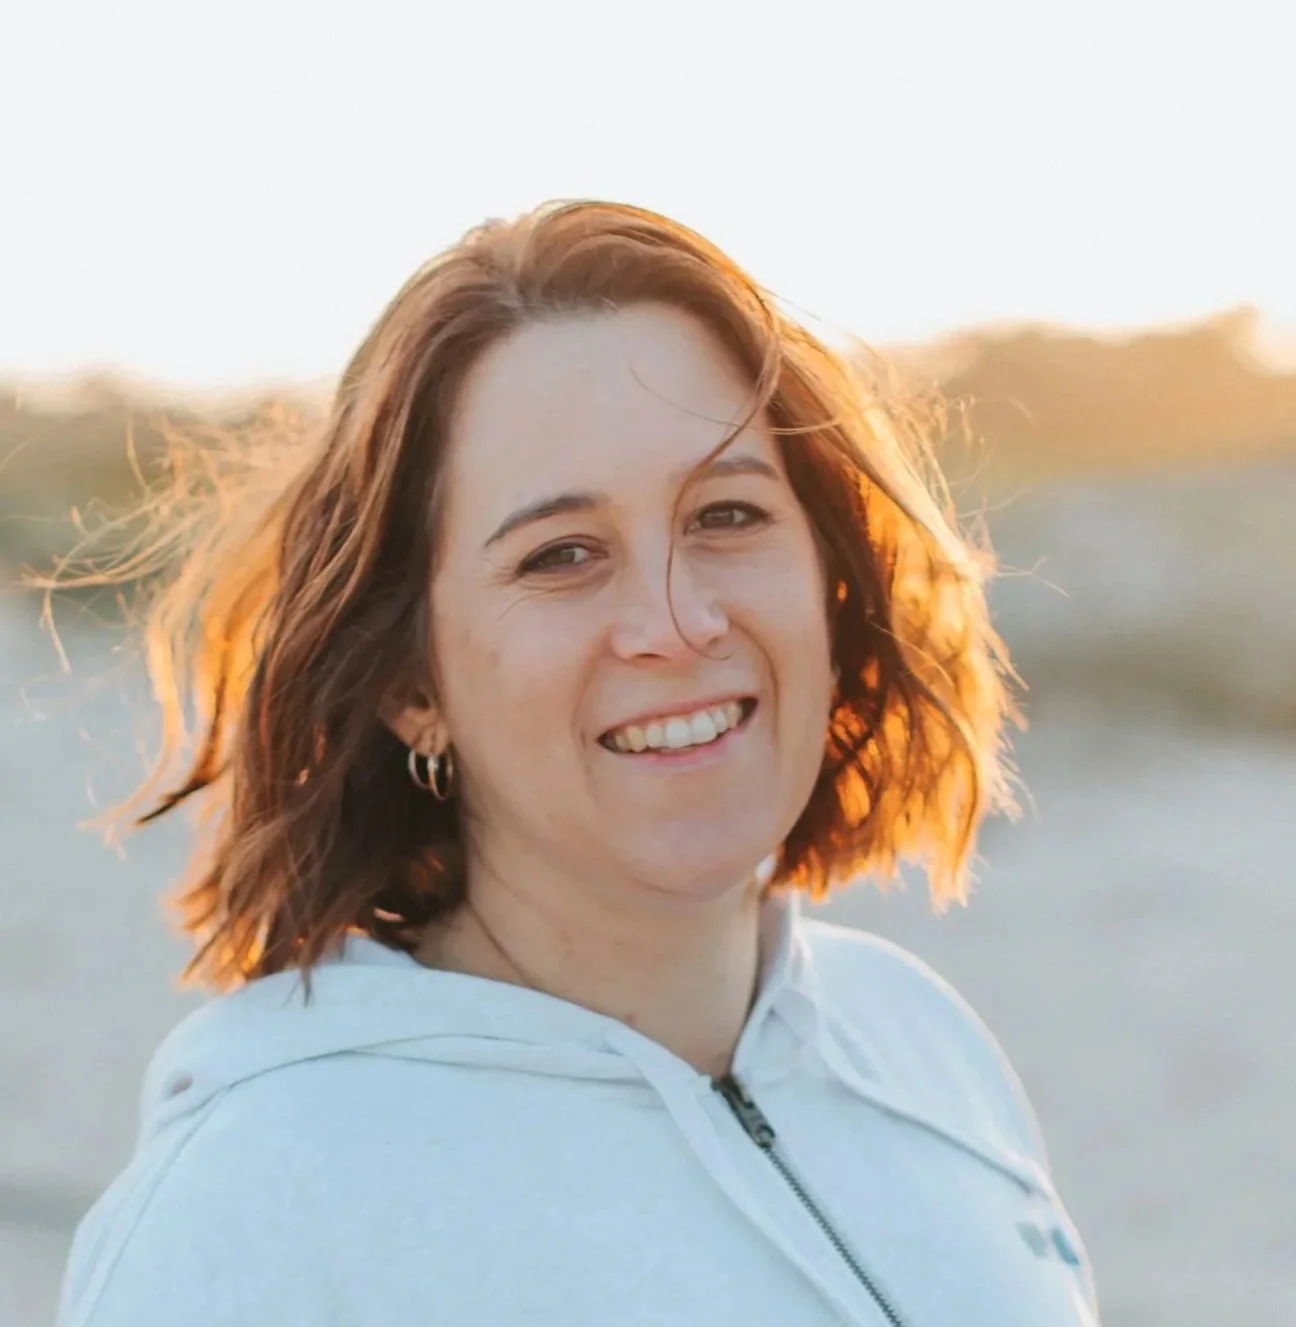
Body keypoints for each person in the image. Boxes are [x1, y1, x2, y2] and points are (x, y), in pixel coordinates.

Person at [55, 200, 1098, 1326]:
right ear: (414, 686)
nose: (677, 619)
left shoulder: (918, 1040)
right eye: (561, 555)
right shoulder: (259, 1200)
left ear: (832, 579)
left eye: (727, 515)